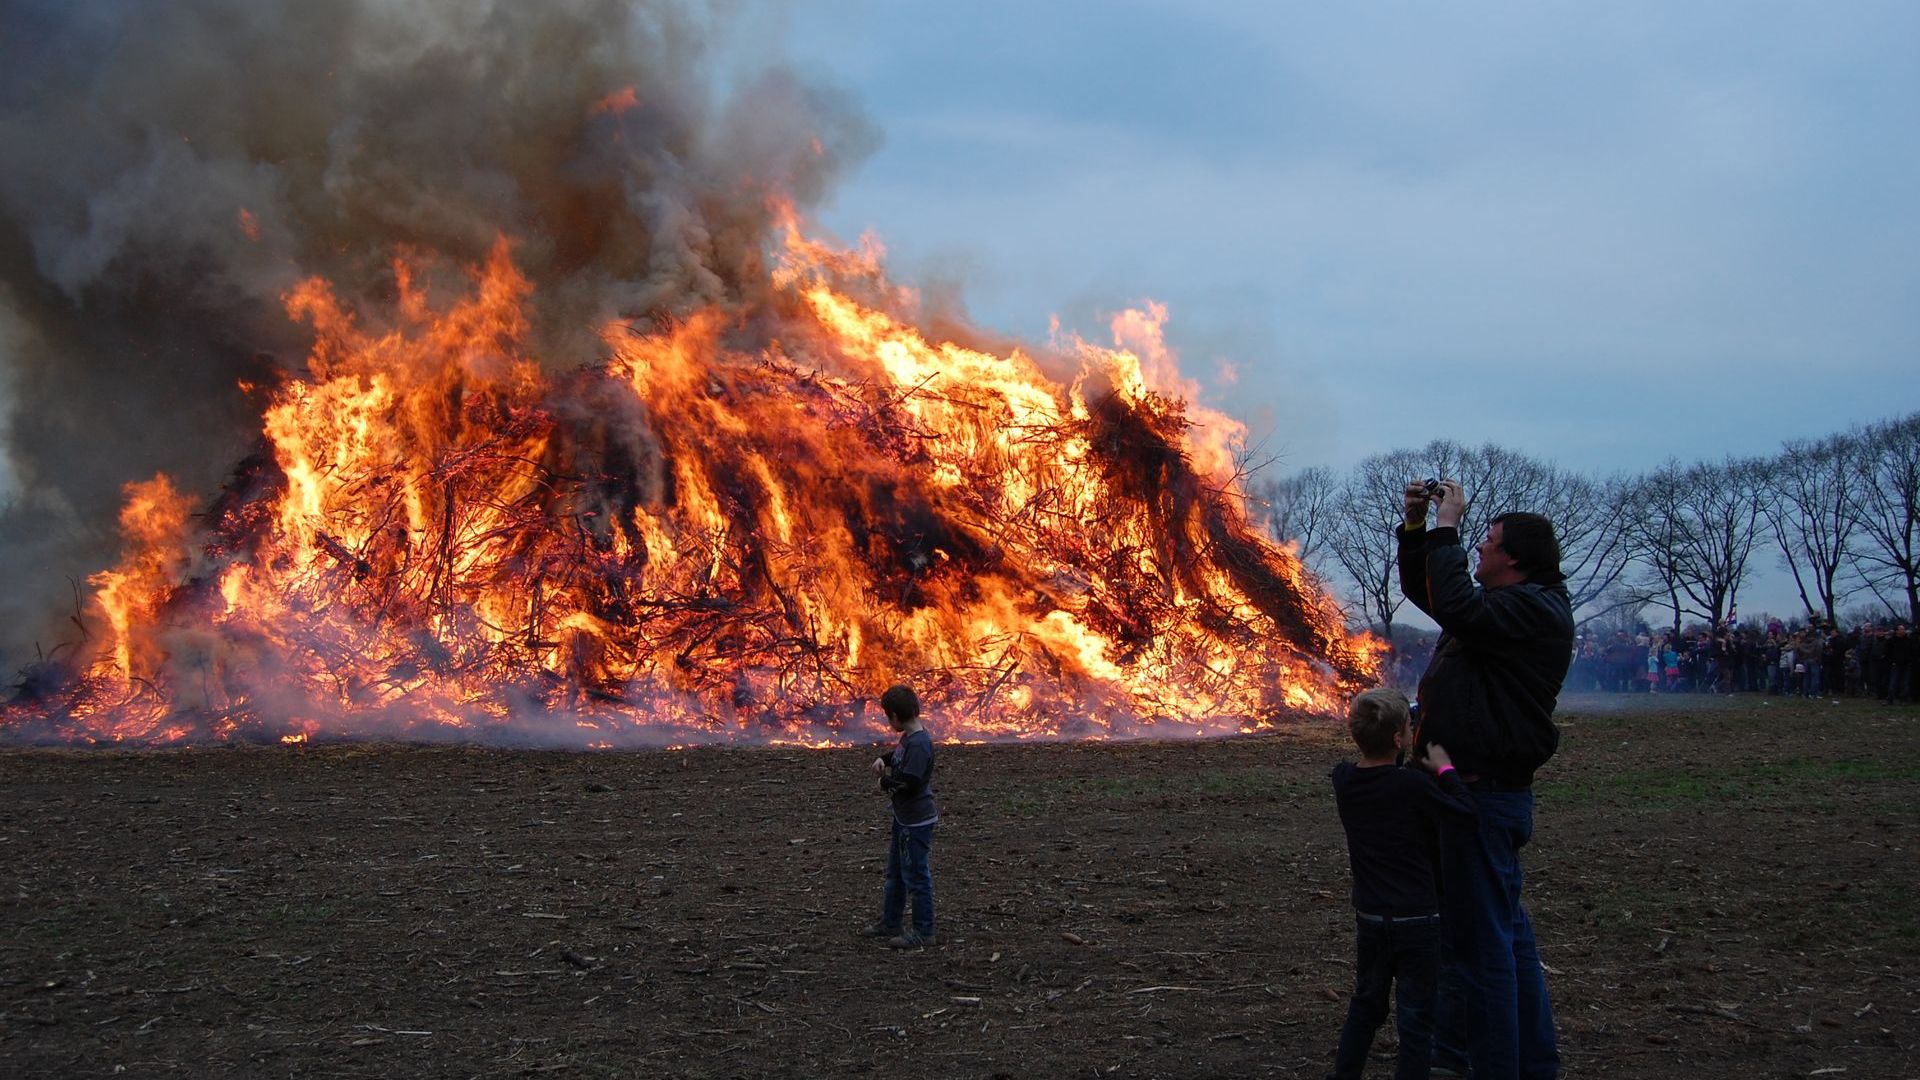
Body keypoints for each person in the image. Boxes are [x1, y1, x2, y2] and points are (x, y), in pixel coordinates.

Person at [1398, 479, 1572, 1080]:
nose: (1477, 549)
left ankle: (1493, 1066)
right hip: (1463, 790)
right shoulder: (1498, 610)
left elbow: (1455, 602)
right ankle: (1532, 1062)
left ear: (1515, 559)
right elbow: (1433, 593)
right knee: (1504, 937)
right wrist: (1417, 525)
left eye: (1488, 543)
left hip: (1482, 796)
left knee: (1482, 951)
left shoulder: (1528, 609)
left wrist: (1449, 521)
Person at [1328, 688, 1479, 1080]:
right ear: (1399, 738)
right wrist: (1444, 769)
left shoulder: (1344, 780)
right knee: (1416, 1017)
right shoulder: (1412, 787)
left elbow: (1374, 774)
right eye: (1409, 726)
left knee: (1366, 1005)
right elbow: (1465, 815)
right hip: (1418, 918)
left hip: (1372, 917)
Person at [866, 683, 938, 948]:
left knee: (917, 876)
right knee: (895, 874)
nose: (888, 722)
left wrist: (885, 783)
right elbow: (899, 756)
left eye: (888, 717)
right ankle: (891, 921)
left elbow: (912, 782)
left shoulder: (920, 744)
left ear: (895, 716)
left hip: (916, 822)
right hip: (903, 818)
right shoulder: (910, 737)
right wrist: (884, 759)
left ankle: (924, 931)